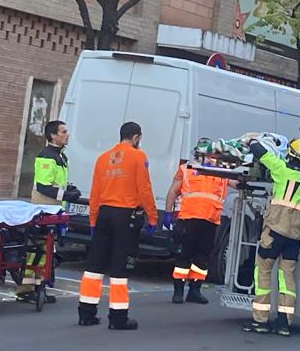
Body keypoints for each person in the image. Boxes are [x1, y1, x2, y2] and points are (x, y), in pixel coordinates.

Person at [78, 121, 157, 330]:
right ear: (136, 137)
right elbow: (144, 189)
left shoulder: (103, 158)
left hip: (104, 214)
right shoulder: (138, 156)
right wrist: (152, 217)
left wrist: (93, 220)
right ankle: (118, 317)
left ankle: (86, 313)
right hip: (126, 216)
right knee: (120, 267)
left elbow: (94, 193)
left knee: (94, 266)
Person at [243, 135, 300, 336]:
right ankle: (284, 322)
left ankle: (260, 320)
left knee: (263, 272)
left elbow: (263, 154)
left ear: (292, 156)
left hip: (275, 231)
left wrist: (252, 140)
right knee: (287, 277)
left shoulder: (282, 171)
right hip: (295, 237)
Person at [16, 120, 80, 304]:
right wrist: (66, 194)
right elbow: (44, 186)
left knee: (45, 249)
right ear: (53, 135)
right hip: (44, 208)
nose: (67, 134)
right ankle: (26, 289)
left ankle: (37, 287)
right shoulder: (46, 157)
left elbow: (56, 182)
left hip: (54, 209)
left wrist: (69, 188)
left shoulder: (61, 156)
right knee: (38, 249)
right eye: (64, 131)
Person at [163, 138, 230, 305]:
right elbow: (173, 191)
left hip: (210, 220)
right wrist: (168, 213)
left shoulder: (222, 172)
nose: (211, 156)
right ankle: (178, 292)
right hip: (188, 218)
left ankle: (194, 291)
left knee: (202, 257)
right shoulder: (186, 169)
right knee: (184, 255)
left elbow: (237, 182)